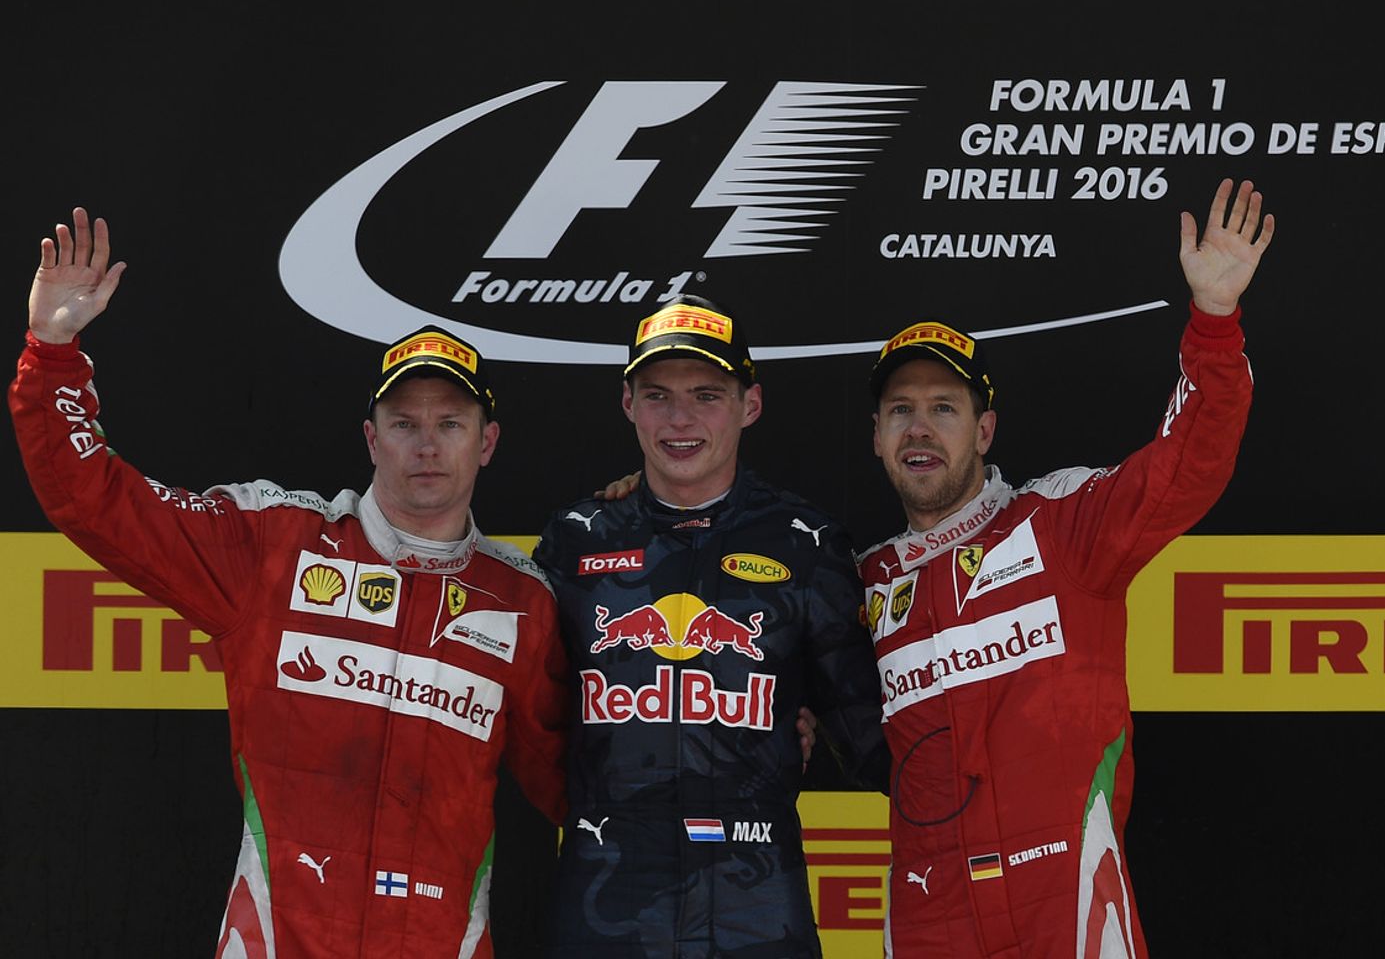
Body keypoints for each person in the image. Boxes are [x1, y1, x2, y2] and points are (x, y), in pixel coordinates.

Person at [10, 208, 569, 959]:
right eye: (404, 423)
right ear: (371, 438)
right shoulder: (273, 546)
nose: (426, 447)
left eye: (451, 424)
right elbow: (96, 502)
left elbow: (592, 790)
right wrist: (52, 353)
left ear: (487, 442)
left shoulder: (524, 604)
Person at [859, 179, 1273, 959]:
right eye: (900, 411)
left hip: (1066, 899)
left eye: (944, 408)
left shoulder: (1060, 525)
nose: (920, 429)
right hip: (927, 916)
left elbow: (1188, 466)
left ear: (984, 430)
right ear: (877, 436)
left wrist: (1214, 322)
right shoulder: (860, 583)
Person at [533, 294, 888, 958]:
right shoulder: (575, 541)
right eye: (658, 396)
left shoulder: (806, 543)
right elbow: (527, 729)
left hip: (757, 911)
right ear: (628, 404)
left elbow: (872, 737)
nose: (680, 419)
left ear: (750, 404)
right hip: (604, 909)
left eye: (706, 395)